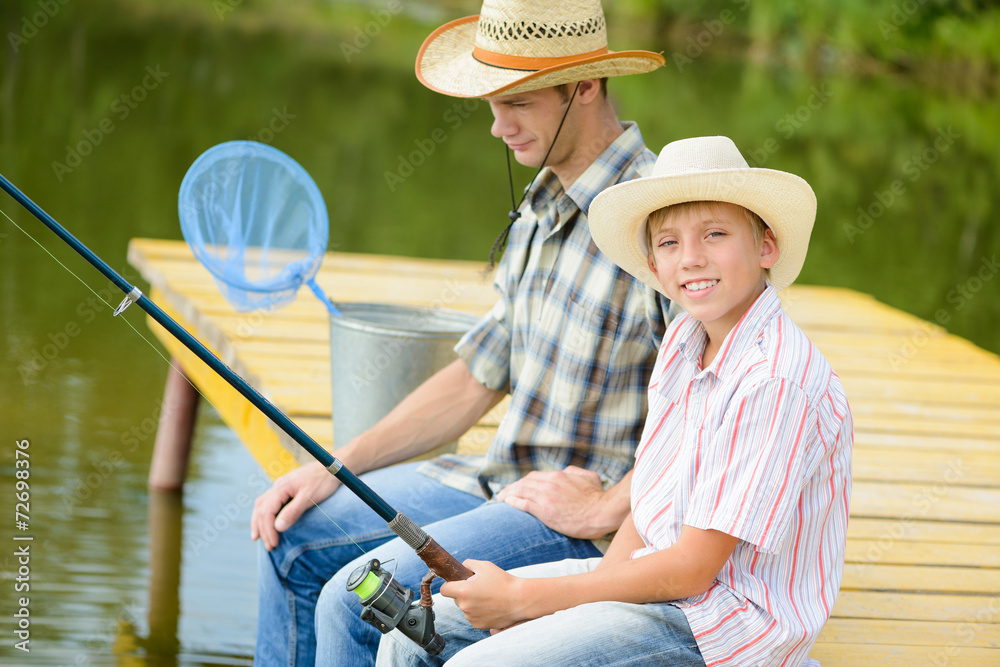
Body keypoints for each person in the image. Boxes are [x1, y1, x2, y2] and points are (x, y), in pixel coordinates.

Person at [251, 1, 672, 665]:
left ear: (585, 86)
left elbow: (719, 405)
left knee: (357, 598)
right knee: (292, 534)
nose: (498, 127)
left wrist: (608, 507)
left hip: (582, 524)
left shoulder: (662, 216)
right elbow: (481, 371)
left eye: (520, 103)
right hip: (493, 478)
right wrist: (339, 464)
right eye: (491, 103)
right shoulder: (540, 203)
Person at [376, 136, 854, 666]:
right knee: (412, 631)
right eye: (670, 243)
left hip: (725, 624)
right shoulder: (686, 340)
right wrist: (581, 605)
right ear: (652, 264)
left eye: (715, 234)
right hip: (665, 584)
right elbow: (653, 500)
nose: (691, 258)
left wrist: (524, 601)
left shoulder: (773, 380)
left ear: (766, 246)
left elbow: (695, 569)